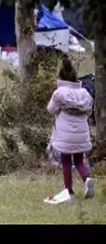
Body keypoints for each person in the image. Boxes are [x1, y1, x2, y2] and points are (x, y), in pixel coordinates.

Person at [47, 55, 95, 199]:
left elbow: (51, 109)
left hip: (65, 136)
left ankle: (69, 191)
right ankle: (87, 179)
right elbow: (89, 111)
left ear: (61, 77)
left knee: (66, 162)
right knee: (80, 161)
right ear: (75, 77)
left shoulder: (59, 94)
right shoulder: (85, 94)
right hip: (81, 133)